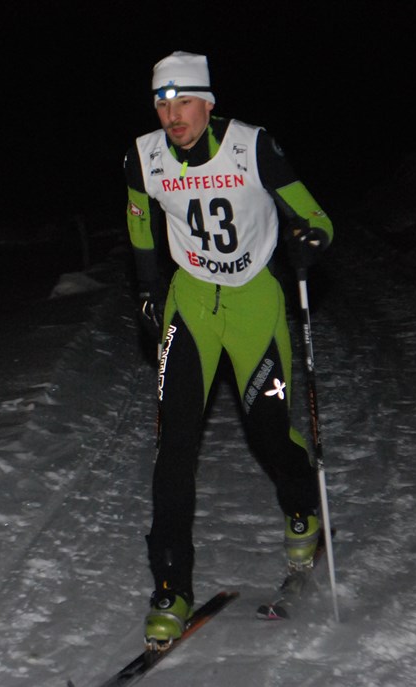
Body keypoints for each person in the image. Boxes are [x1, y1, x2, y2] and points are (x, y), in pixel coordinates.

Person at [122, 50, 335, 646]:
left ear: (208, 102)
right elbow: (139, 223)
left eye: (184, 101)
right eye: (162, 103)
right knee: (174, 445)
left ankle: (302, 510)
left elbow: (315, 215)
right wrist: (148, 289)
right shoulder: (143, 156)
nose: (173, 115)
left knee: (269, 432)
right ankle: (172, 586)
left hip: (253, 302)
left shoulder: (251, 146)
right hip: (191, 304)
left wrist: (310, 238)